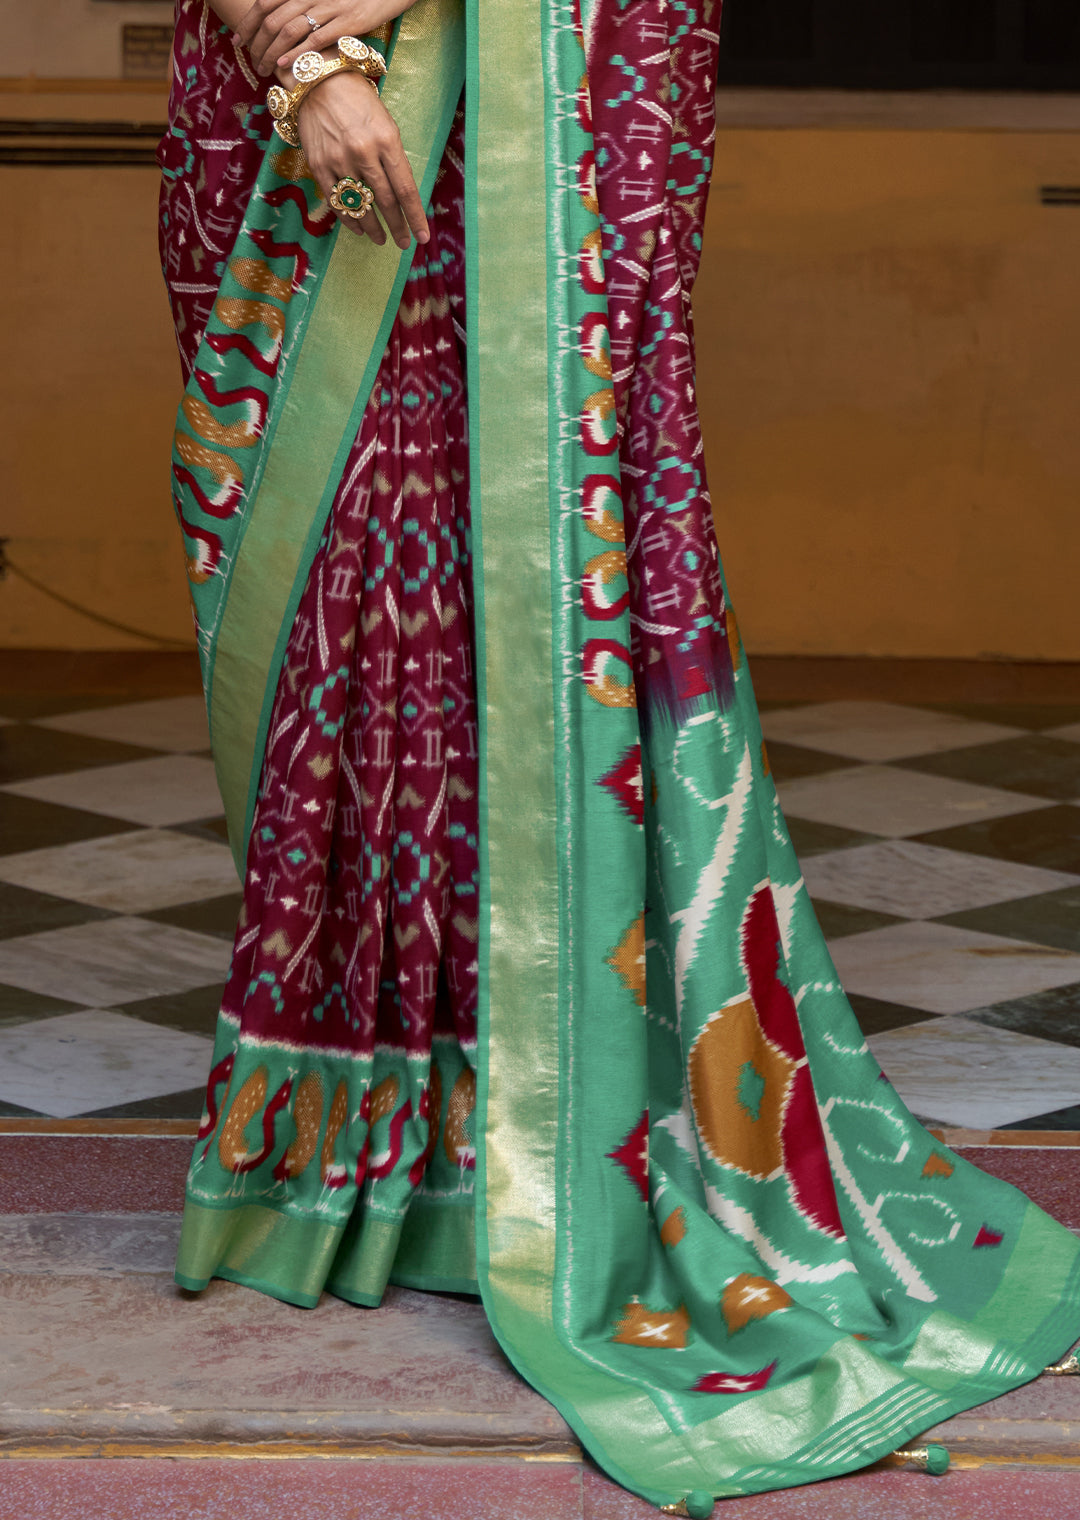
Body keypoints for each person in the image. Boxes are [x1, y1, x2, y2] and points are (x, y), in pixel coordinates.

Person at [158, 2, 1080, 1512]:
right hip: (261, 110)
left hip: (534, 106)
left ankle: (523, 1156)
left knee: (515, 609)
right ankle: (357, 1149)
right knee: (323, 593)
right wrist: (297, 51)